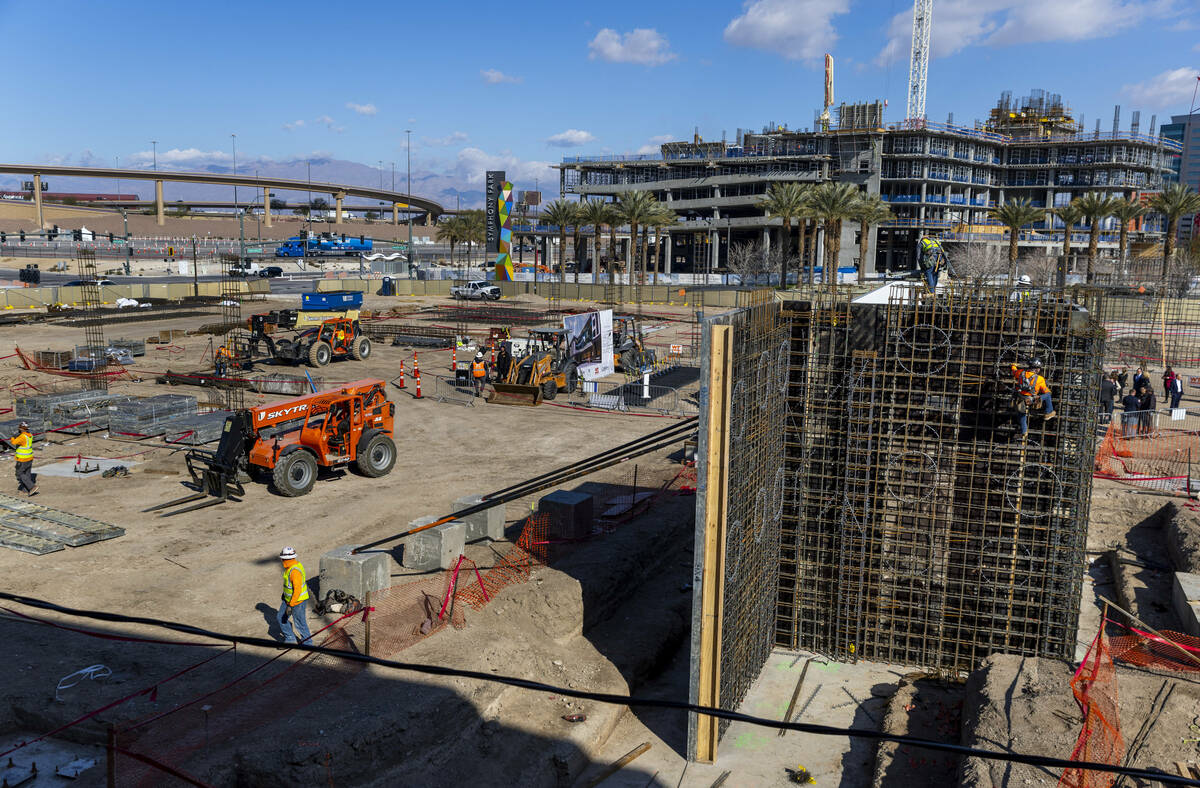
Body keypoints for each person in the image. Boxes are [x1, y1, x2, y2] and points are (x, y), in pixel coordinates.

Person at [1010, 359, 1056, 438]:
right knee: (1048, 395)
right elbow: (1045, 391)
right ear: (1036, 369)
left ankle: (1024, 431)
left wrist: (1013, 365)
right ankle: (1048, 412)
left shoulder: (1020, 372)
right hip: (1032, 400)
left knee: (1022, 414)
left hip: (1020, 398)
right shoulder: (1040, 379)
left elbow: (1014, 372)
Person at [276, 546, 311, 645]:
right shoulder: (290, 567)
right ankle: (290, 639)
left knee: (300, 622)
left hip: (297, 601)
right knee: (281, 617)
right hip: (288, 600)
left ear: (287, 559)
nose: (282, 561)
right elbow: (289, 586)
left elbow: (297, 590)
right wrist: (284, 596)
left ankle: (308, 643)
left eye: (283, 559)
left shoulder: (294, 571)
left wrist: (291, 605)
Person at [6, 422, 37, 496]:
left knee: (19, 473)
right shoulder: (29, 435)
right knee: (27, 473)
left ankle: (32, 487)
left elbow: (13, 442)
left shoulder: (22, 437)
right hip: (30, 457)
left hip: (22, 459)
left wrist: (13, 436)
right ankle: (25, 490)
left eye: (19, 428)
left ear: (21, 429)